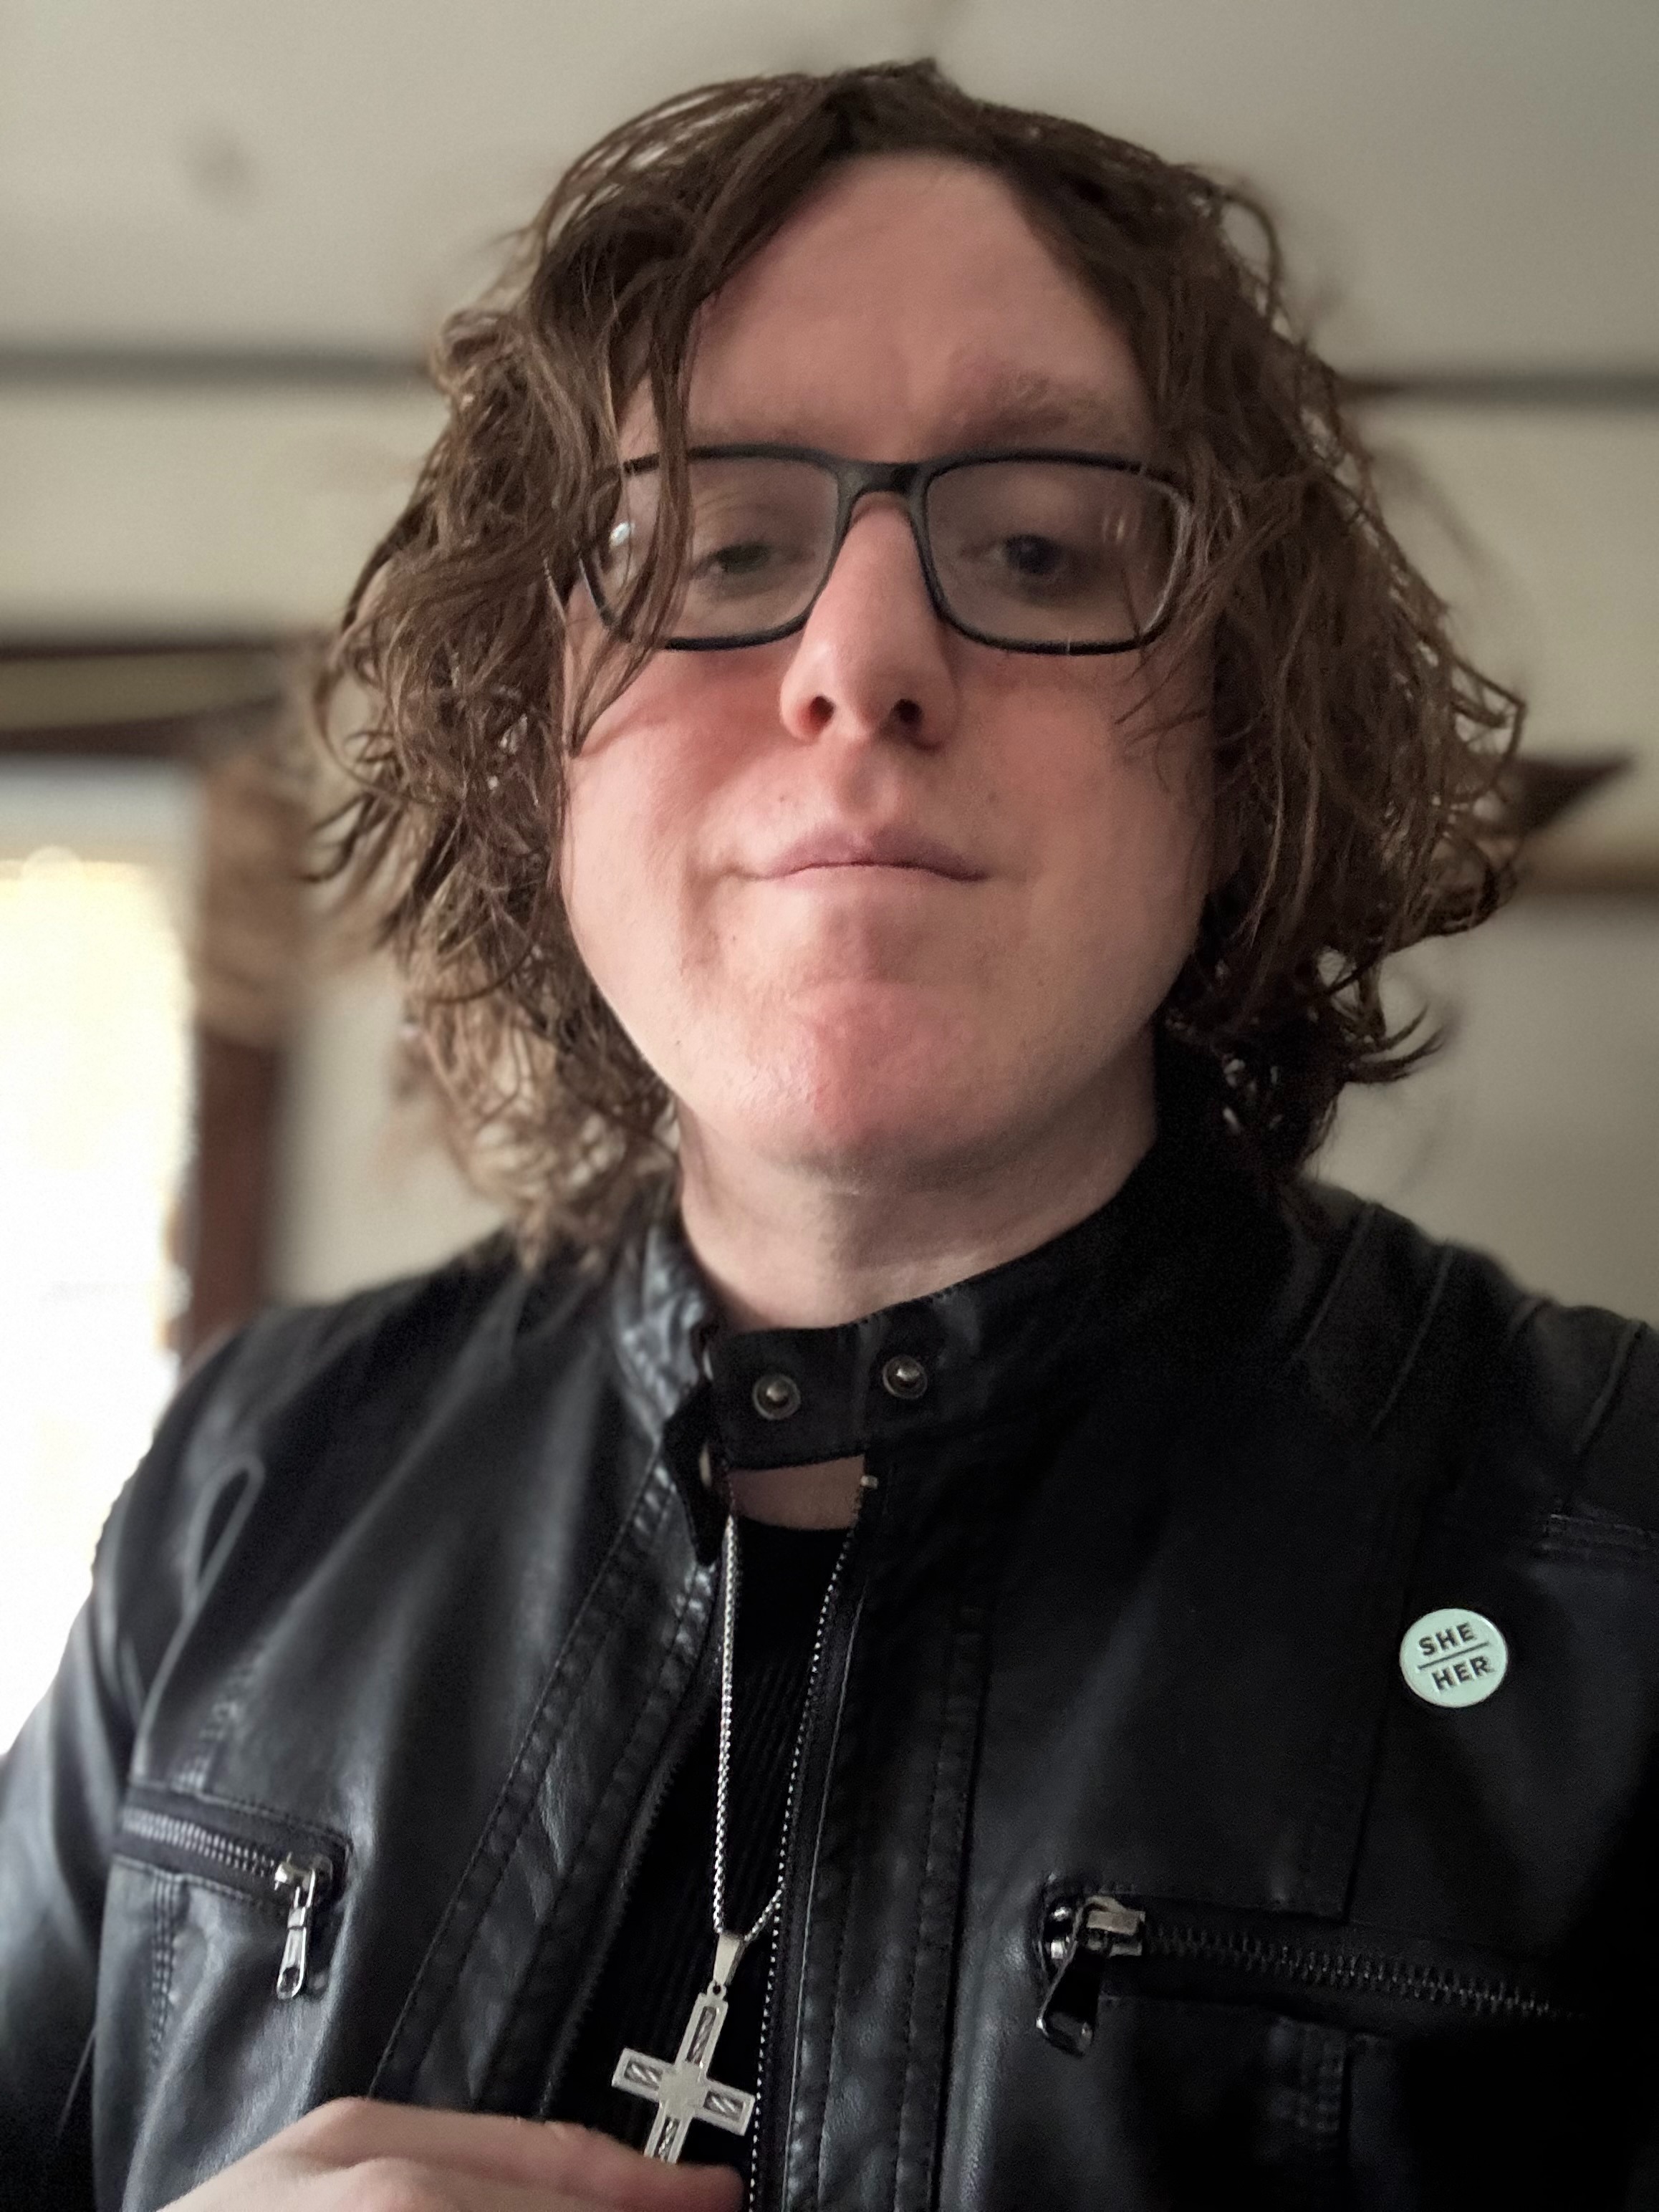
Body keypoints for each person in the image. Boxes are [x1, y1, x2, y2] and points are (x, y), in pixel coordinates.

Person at [3, 59, 1655, 2212]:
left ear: (1241, 742)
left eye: (1039, 550)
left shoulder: (1617, 1555)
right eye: (721, 547)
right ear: (535, 750)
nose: (861, 663)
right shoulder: (253, 1477)